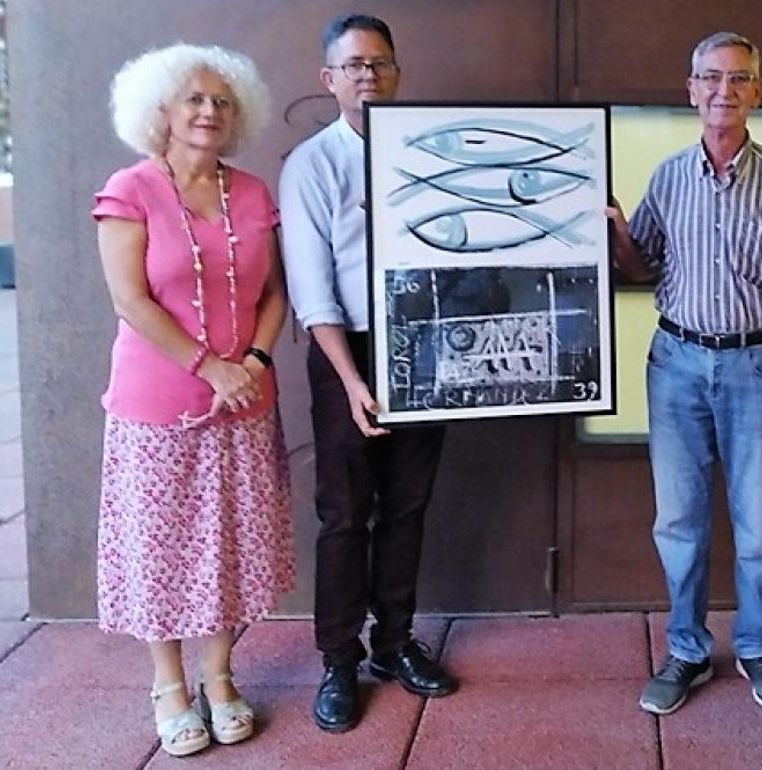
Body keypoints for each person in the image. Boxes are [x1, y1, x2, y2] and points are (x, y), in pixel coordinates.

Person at [607, 31, 762, 716]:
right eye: (711, 78)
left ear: (757, 93)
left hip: (760, 365)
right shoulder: (670, 177)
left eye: (739, 79)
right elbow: (640, 267)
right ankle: (685, 649)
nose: (724, 91)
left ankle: (755, 643)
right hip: (677, 364)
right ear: (691, 90)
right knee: (678, 518)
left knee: (759, 521)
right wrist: (620, 230)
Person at [93, 44, 293, 757]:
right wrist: (210, 367)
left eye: (223, 101)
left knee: (224, 548)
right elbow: (130, 299)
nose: (210, 111)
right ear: (163, 113)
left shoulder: (253, 192)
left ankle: (219, 677)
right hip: (158, 404)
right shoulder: (131, 189)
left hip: (244, 401)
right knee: (162, 548)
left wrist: (257, 361)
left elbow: (274, 293)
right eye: (195, 100)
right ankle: (168, 686)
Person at [279, 13, 456, 734]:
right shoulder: (311, 165)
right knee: (346, 512)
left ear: (397, 73)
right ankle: (337, 661)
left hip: (425, 344)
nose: (367, 75)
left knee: (408, 504)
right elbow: (313, 289)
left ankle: (394, 644)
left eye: (379, 63)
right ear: (330, 80)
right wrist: (353, 382)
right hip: (343, 350)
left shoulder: (428, 155)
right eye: (352, 65)